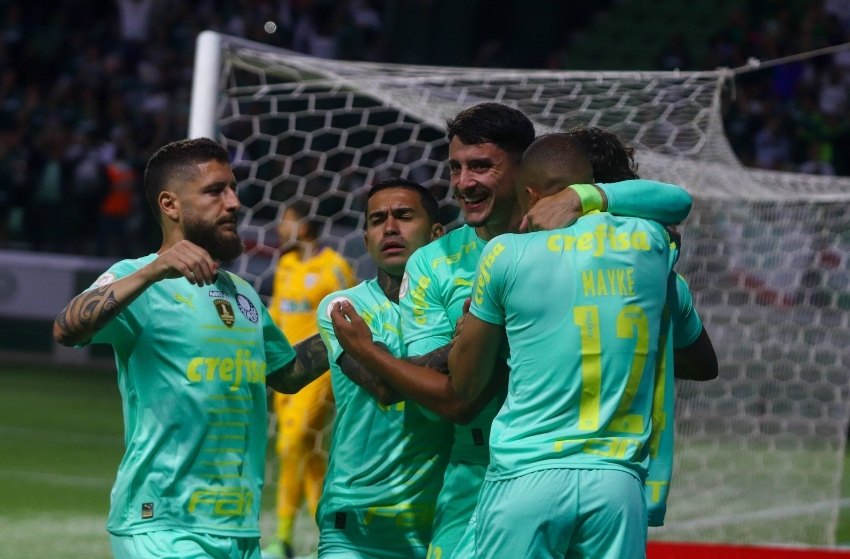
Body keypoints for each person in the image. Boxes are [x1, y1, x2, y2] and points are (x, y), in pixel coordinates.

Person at [328, 103, 695, 559]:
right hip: (477, 472)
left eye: (480, 166)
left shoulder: (592, 243)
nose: (464, 183)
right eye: (456, 168)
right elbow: (441, 399)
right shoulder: (432, 262)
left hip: (541, 465)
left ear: (525, 170)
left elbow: (697, 356)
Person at [52, 137, 332, 559]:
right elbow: (67, 327)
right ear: (170, 205)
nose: (234, 202)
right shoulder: (136, 279)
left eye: (233, 188)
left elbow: (286, 374)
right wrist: (152, 272)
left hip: (238, 530)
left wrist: (350, 326)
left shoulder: (242, 295)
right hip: (162, 526)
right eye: (216, 191)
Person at [445, 132, 716, 558]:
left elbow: (465, 383)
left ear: (531, 193)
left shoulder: (506, 253)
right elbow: (678, 199)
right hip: (616, 483)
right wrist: (587, 197)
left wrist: (465, 331)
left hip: (527, 473)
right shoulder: (649, 243)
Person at [314, 177, 453, 558]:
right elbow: (383, 385)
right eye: (377, 220)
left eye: (404, 216)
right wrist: (459, 347)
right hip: (357, 523)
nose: (390, 228)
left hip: (443, 521)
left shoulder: (452, 305)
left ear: (438, 233)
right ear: (365, 240)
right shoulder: (342, 307)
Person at [264, 201, 356, 559]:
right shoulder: (285, 265)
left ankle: (286, 537)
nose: (278, 228)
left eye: (284, 221)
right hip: (285, 372)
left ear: (303, 227)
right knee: (305, 454)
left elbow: (353, 313)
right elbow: (275, 314)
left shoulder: (334, 267)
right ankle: (318, 535)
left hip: (319, 374)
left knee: (294, 443)